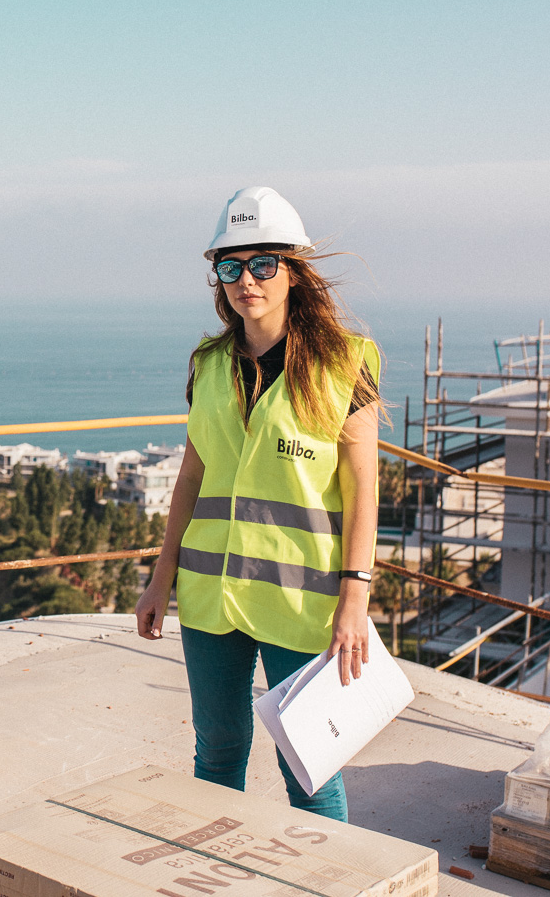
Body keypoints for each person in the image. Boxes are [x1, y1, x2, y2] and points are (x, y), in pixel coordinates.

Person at [135, 185, 381, 823]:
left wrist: (355, 599)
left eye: (264, 264)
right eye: (231, 266)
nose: (248, 280)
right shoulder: (210, 364)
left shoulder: (343, 364)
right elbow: (193, 474)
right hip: (211, 594)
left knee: (309, 770)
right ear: (217, 278)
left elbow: (363, 490)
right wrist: (160, 577)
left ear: (294, 272)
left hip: (303, 602)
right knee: (215, 755)